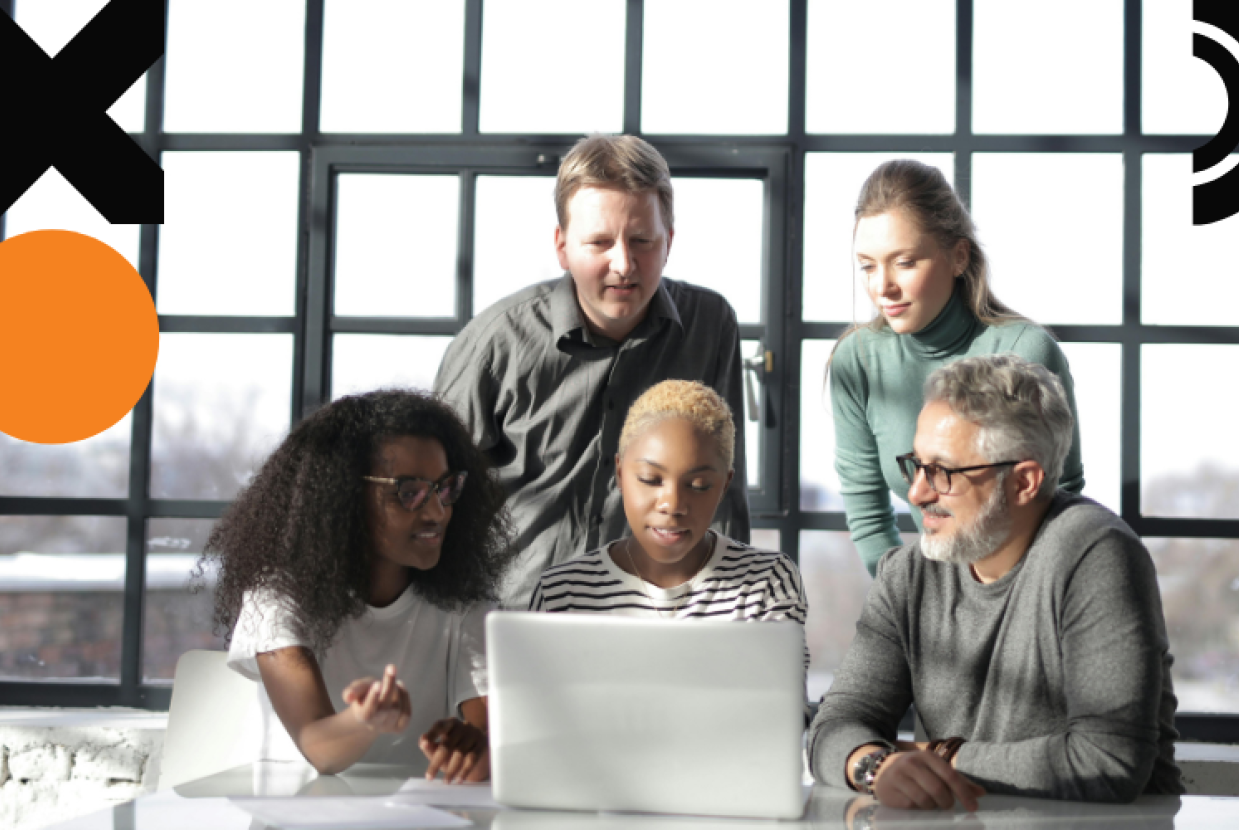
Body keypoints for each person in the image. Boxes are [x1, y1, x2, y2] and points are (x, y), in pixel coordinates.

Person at [807, 354, 1181, 809]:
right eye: (916, 464)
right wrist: (873, 766)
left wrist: (937, 756)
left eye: (942, 472)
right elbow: (835, 723)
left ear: (1023, 482)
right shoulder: (907, 573)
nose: (916, 493)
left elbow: (1107, 760)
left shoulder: (1095, 553)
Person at [435, 134, 749, 608]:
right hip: (515, 619)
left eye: (642, 241)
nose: (623, 264)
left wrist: (730, 616)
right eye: (600, 242)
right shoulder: (495, 342)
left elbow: (721, 491)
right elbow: (433, 501)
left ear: (669, 244)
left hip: (658, 618)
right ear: (562, 247)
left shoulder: (711, 326)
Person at [203, 389, 514, 779]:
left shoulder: (463, 603)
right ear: (343, 496)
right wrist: (367, 719)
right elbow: (320, 750)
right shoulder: (278, 601)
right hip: (294, 812)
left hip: (417, 816)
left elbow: (495, 733)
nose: (438, 511)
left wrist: (477, 747)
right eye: (410, 493)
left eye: (446, 487)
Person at [830, 159, 1084, 575]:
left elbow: (1062, 499)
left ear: (959, 256)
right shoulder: (855, 361)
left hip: (1028, 594)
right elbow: (868, 515)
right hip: (932, 604)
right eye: (868, 266)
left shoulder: (1028, 351)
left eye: (905, 262)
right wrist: (911, 606)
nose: (882, 286)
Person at [528, 381, 807, 688]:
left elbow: (783, 713)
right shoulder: (563, 592)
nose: (672, 505)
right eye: (650, 480)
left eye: (699, 485)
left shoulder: (765, 582)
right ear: (620, 474)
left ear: (725, 485)